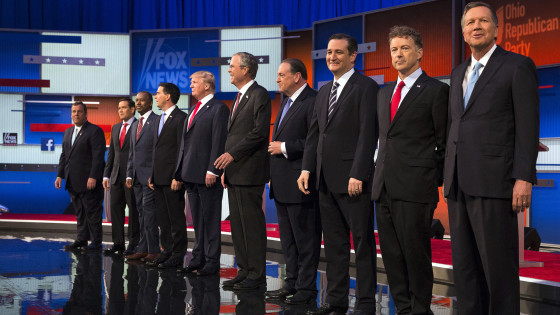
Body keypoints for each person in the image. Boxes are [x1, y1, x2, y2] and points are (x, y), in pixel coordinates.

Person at [443, 2, 539, 314]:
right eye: (470, 22)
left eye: (483, 20)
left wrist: (523, 177)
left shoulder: (517, 66)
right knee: (466, 270)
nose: (476, 26)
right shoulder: (458, 72)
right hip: (458, 183)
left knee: (498, 270)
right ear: (463, 31)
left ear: (496, 29)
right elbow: (457, 125)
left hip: (496, 183)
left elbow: (527, 127)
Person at [298, 33, 379, 314]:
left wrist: (359, 173)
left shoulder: (366, 87)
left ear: (353, 56)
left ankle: (367, 303)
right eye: (329, 52)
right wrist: (307, 167)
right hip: (324, 180)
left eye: (339, 53)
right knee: (334, 245)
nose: (332, 57)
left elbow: (368, 134)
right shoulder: (323, 91)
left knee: (362, 244)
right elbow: (314, 136)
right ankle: (336, 301)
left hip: (353, 181)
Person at [371, 25, 448, 315]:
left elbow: (443, 143)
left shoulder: (436, 90)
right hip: (384, 187)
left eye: (404, 48)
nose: (398, 54)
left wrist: (430, 179)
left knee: (416, 254)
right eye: (394, 49)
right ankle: (402, 308)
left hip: (416, 187)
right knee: (391, 254)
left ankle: (420, 310)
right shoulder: (385, 92)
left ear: (419, 52)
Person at [265, 59, 321, 305]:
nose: (277, 79)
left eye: (281, 75)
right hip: (281, 183)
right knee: (288, 241)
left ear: (297, 76)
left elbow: (315, 141)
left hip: (301, 181)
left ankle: (307, 289)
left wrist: (284, 147)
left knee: (305, 241)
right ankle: (292, 284)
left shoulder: (314, 100)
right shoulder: (286, 101)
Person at [214, 52, 271, 290]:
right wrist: (228, 167)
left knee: (251, 225)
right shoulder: (239, 97)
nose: (229, 69)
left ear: (246, 70)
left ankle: (257, 275)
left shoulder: (259, 94)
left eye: (232, 66)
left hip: (250, 171)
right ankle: (244, 270)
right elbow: (234, 136)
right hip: (236, 171)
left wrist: (232, 155)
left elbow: (259, 133)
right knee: (237, 225)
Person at [175, 71, 229, 276]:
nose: (191, 86)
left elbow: (219, 141)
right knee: (197, 220)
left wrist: (213, 170)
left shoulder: (218, 109)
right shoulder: (193, 109)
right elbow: (186, 144)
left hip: (207, 175)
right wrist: (179, 171)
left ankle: (212, 261)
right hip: (190, 174)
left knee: (211, 220)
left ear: (207, 86)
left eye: (194, 82)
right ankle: (198, 258)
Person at [147, 82, 188, 268]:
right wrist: (152, 174)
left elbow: (182, 149)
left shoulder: (181, 118)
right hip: (158, 177)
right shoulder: (158, 119)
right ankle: (167, 251)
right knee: (162, 218)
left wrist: (178, 176)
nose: (155, 96)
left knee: (176, 219)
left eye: (158, 93)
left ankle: (178, 254)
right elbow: (156, 150)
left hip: (173, 178)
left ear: (168, 96)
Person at [56, 101, 106, 252]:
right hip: (72, 181)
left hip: (89, 181)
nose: (76, 114)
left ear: (85, 114)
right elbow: (64, 155)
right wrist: (60, 175)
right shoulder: (68, 132)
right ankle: (82, 239)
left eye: (79, 111)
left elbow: (98, 157)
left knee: (92, 212)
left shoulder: (95, 131)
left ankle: (96, 242)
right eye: (73, 111)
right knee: (79, 212)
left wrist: (93, 176)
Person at [125, 91, 161, 263]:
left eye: (142, 101)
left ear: (150, 103)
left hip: (149, 178)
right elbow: (132, 152)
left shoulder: (157, 121)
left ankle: (154, 250)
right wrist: (129, 174)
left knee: (149, 214)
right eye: (136, 100)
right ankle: (143, 248)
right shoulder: (134, 125)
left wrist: (154, 174)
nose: (138, 103)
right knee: (140, 214)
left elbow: (157, 151)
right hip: (136, 178)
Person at [103, 98, 139, 256]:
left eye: (124, 107)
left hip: (132, 177)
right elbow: (111, 154)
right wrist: (106, 175)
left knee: (133, 212)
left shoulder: (140, 126)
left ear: (132, 109)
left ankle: (133, 244)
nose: (120, 110)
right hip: (116, 177)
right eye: (119, 108)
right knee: (116, 211)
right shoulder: (116, 127)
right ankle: (118, 244)